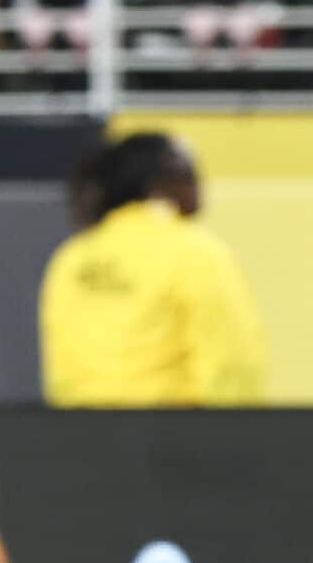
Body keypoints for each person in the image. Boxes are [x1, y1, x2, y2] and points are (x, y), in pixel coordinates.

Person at [39, 133, 267, 407]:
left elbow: (61, 370)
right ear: (160, 182)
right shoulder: (195, 252)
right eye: (189, 173)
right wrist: (238, 435)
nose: (199, 185)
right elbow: (232, 362)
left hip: (82, 435)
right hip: (174, 437)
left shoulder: (71, 258)